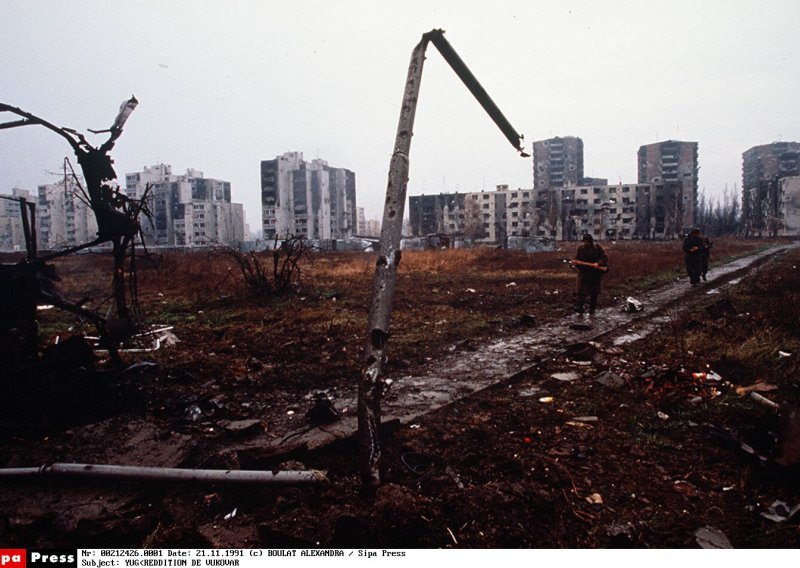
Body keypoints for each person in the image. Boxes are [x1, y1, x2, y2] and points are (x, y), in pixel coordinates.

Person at [571, 233, 608, 315]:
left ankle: (592, 309)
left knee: (594, 292)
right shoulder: (580, 249)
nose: (586, 243)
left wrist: (598, 263)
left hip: (594, 274)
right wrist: (575, 263)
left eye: (588, 241)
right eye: (585, 241)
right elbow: (577, 259)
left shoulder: (597, 248)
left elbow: (604, 257)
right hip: (584, 273)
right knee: (581, 292)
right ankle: (580, 308)